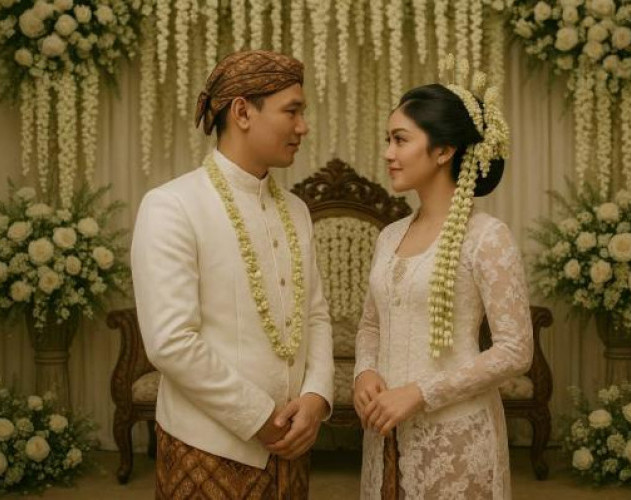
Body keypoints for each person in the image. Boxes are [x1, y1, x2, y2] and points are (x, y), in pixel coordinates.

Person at [131, 49, 334, 499]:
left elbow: (316, 314)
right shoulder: (172, 206)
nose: (303, 127)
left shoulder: (296, 210)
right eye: (292, 111)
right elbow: (170, 341)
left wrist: (316, 398)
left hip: (291, 447)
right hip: (206, 449)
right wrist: (258, 417)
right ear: (242, 112)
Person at [353, 61, 534, 499]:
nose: (388, 153)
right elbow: (371, 325)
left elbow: (515, 350)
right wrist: (364, 372)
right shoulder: (390, 236)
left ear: (443, 150)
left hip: (457, 436)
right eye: (387, 140)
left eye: (400, 140)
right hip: (385, 430)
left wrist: (420, 393)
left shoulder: (486, 237)